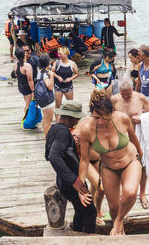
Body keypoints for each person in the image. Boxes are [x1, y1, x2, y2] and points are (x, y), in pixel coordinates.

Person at [78, 90, 144, 235]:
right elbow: (84, 161)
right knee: (113, 207)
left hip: (130, 161)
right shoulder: (86, 130)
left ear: (112, 112)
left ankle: (119, 222)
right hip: (108, 167)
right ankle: (120, 232)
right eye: (96, 117)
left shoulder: (122, 118)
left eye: (105, 118)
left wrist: (141, 154)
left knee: (130, 192)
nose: (101, 121)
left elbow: (134, 138)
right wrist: (81, 188)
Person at [45, 100, 96, 233]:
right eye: (76, 118)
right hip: (71, 182)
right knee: (91, 212)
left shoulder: (54, 129)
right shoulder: (63, 132)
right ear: (70, 117)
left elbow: (49, 154)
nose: (77, 121)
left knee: (80, 210)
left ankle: (77, 231)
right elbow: (53, 156)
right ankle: (92, 239)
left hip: (63, 181)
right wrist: (74, 180)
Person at [111, 76, 149, 210]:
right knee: (120, 165)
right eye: (123, 95)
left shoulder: (140, 98)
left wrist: (142, 119)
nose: (126, 97)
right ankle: (122, 191)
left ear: (132, 89)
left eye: (129, 94)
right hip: (121, 138)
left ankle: (142, 193)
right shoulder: (114, 100)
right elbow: (107, 117)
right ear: (119, 91)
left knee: (143, 166)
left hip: (138, 137)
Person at [71, 117, 106, 226]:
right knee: (101, 187)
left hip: (98, 157)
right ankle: (95, 212)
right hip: (85, 160)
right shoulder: (86, 124)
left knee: (96, 186)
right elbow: (75, 134)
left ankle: (97, 208)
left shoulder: (109, 122)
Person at [52, 47, 79, 121]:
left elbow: (77, 73)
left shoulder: (72, 64)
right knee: (57, 104)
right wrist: (58, 77)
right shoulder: (57, 63)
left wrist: (71, 78)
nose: (59, 55)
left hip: (68, 87)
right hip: (58, 87)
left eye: (61, 54)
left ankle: (70, 120)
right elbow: (52, 72)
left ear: (66, 54)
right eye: (58, 54)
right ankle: (57, 120)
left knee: (70, 105)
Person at [37, 55, 55, 136]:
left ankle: (45, 136)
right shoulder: (45, 74)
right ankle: (47, 139)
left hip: (41, 100)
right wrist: (52, 76)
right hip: (47, 100)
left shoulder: (39, 72)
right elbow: (50, 87)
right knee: (48, 121)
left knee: (45, 119)